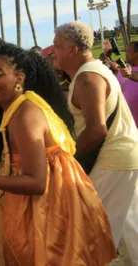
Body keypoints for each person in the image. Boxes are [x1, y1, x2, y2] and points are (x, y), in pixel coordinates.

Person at [0, 38, 116, 265]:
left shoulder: (25, 116)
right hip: (44, 203)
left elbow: (37, 182)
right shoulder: (19, 109)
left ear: (19, 78)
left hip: (50, 210)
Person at [53, 21, 138, 263]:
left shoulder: (88, 78)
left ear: (72, 50)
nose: (53, 51)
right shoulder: (92, 72)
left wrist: (67, 157)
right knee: (131, 230)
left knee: (95, 232)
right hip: (124, 157)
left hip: (113, 161)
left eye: (57, 46)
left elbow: (97, 128)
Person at [113, 40, 138, 126]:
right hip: (128, 122)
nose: (126, 54)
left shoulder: (128, 71)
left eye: (128, 51)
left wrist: (130, 74)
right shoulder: (122, 70)